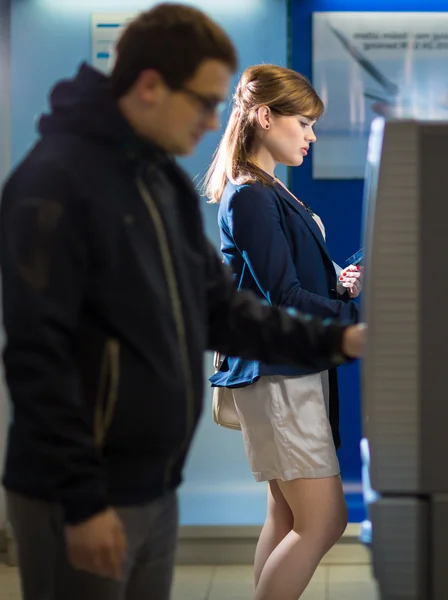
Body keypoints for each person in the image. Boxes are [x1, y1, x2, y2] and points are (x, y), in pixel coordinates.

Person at [0, 7, 366, 600]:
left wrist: (340, 337)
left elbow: (222, 310)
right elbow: (42, 360)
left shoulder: (157, 180)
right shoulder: (55, 184)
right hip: (85, 492)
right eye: (203, 101)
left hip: (150, 479)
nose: (215, 121)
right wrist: (82, 500)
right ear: (150, 87)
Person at [203, 64, 363, 600]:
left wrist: (337, 289)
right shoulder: (251, 194)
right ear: (266, 118)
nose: (312, 135)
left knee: (288, 512)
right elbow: (284, 299)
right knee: (324, 521)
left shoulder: (265, 188)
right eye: (304, 123)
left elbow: (285, 283)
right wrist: (355, 324)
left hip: (285, 372)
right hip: (278, 376)